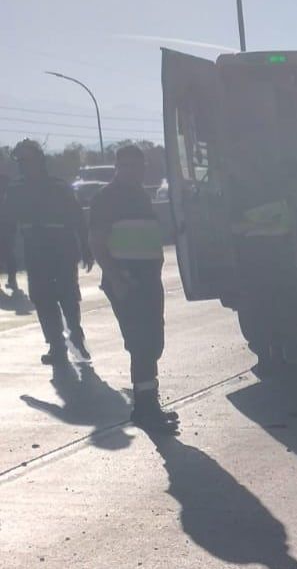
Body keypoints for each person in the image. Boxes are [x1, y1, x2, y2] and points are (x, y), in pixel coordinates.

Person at [88, 145, 178, 433]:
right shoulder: (107, 199)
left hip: (149, 281)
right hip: (127, 282)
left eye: (138, 167)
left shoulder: (140, 196)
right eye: (127, 166)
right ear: (117, 167)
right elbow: (98, 242)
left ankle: (149, 404)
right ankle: (145, 409)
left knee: (153, 342)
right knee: (142, 344)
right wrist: (117, 278)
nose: (133, 172)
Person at [5, 140, 92, 364]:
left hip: (62, 250)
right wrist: (7, 251)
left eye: (27, 160)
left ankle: (76, 335)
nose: (24, 166)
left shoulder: (58, 187)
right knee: (43, 299)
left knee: (68, 297)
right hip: (35, 253)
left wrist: (86, 246)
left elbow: (77, 218)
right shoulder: (15, 190)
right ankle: (56, 345)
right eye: (21, 162)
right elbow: (7, 223)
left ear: (39, 161)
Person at [230, 158, 297, 378]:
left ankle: (284, 353)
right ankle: (266, 356)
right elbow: (233, 227)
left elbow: (292, 231)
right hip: (257, 265)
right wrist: (262, 225)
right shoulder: (241, 200)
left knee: (283, 311)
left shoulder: (282, 199)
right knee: (262, 312)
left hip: (279, 264)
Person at [0, 174, 19, 292]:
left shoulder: (7, 182)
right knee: (9, 252)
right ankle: (12, 278)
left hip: (7, 222)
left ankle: (12, 278)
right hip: (8, 223)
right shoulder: (8, 181)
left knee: (7, 251)